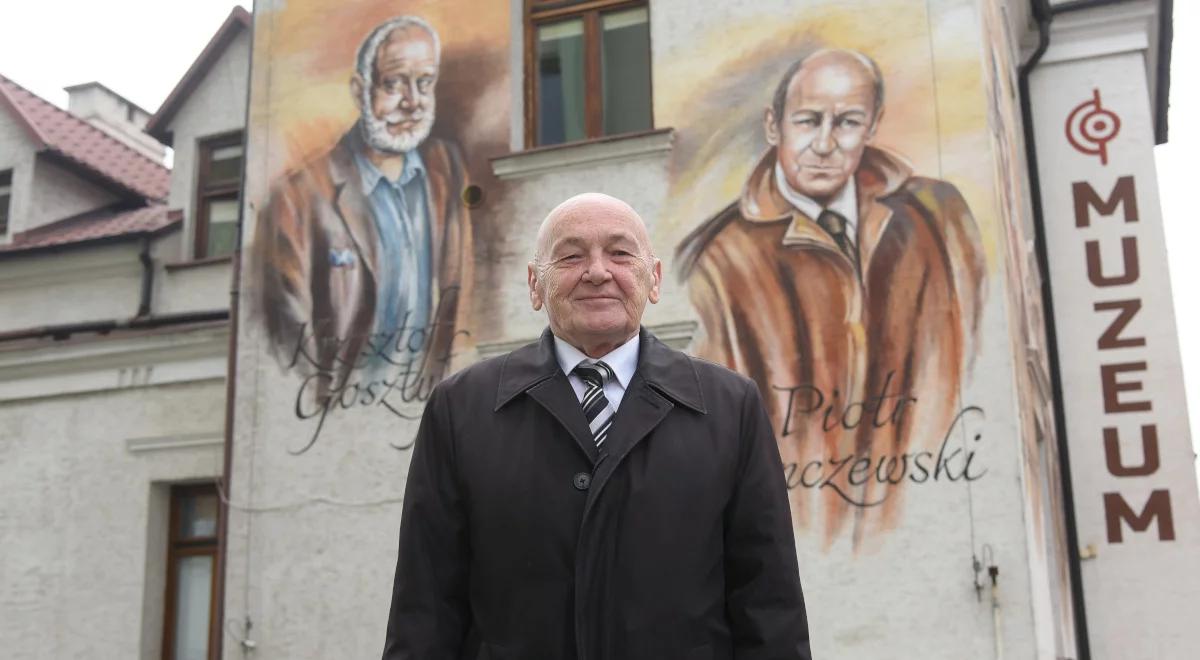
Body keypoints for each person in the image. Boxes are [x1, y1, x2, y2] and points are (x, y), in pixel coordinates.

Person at [383, 193, 811, 659]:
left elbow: (769, 602)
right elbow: (425, 608)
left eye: (620, 253)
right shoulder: (462, 408)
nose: (597, 272)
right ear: (535, 285)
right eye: (570, 256)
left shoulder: (729, 407)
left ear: (654, 278)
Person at [676, 49, 985, 539]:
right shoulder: (718, 261)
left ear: (873, 126)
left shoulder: (939, 217)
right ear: (773, 125)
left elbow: (968, 358)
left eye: (847, 122)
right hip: (796, 524)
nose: (823, 144)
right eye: (807, 120)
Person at [253, 15, 472, 389]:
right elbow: (289, 347)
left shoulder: (446, 169)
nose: (413, 102)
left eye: (424, 82)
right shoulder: (295, 199)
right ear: (359, 90)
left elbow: (458, 302)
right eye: (393, 83)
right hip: (343, 402)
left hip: (432, 401)